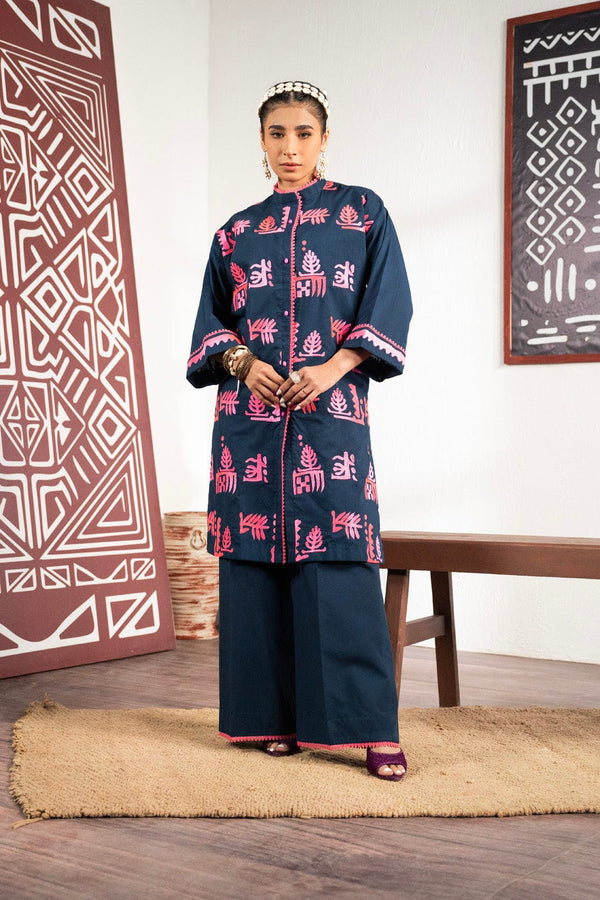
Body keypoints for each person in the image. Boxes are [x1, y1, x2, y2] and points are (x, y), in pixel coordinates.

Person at [187, 80, 412, 781]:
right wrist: (243, 363)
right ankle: (271, 719)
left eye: (303, 133)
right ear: (262, 141)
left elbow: (388, 302)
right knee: (254, 566)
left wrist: (335, 367)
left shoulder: (361, 211)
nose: (290, 147)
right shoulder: (237, 232)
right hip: (248, 424)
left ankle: (369, 728)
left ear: (324, 138)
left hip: (329, 419)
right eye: (277, 133)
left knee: (339, 563)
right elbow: (211, 325)